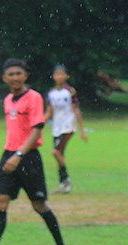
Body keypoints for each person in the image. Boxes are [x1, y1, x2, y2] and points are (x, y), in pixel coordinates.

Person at [0, 59, 71, 245]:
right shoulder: (7, 100)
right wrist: (12, 154)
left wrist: (18, 155)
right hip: (9, 155)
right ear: (4, 78)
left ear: (25, 75)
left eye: (18, 73)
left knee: (39, 205)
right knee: (0, 202)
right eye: (11, 74)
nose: (15, 77)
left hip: (28, 157)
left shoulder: (34, 98)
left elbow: (36, 131)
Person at [43, 64, 87, 194]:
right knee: (59, 155)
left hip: (68, 127)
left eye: (62, 74)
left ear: (66, 76)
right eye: (57, 74)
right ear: (53, 76)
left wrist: (82, 130)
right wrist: (39, 125)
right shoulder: (51, 93)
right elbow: (49, 112)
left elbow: (76, 110)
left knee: (55, 152)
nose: (59, 77)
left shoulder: (70, 91)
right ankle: (63, 184)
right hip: (57, 128)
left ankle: (66, 180)